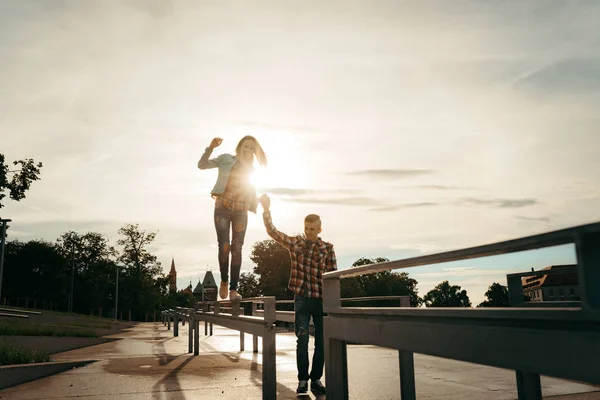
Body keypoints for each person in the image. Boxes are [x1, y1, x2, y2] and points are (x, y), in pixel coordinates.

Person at [258, 194, 337, 395]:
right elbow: (273, 232)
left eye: (312, 229)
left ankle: (316, 379)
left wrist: (332, 306)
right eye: (306, 229)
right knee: (302, 338)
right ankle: (303, 380)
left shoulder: (327, 249)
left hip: (320, 301)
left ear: (319, 230)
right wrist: (266, 209)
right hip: (301, 299)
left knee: (321, 341)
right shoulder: (296, 244)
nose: (309, 232)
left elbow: (332, 278)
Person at [197, 136, 267, 301]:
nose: (248, 150)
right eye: (246, 146)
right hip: (222, 209)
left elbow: (247, 192)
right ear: (240, 146)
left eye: (251, 148)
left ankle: (234, 289)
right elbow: (201, 165)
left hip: (241, 211)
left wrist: (259, 201)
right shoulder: (226, 159)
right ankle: (224, 280)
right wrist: (211, 148)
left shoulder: (251, 171)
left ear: (254, 152)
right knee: (225, 246)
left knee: (237, 248)